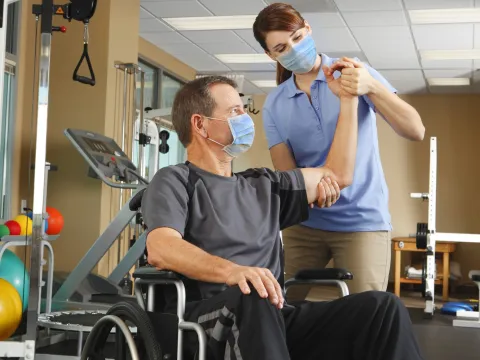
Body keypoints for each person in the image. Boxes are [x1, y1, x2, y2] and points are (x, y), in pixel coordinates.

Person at [141, 75, 424, 360]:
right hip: (208, 319)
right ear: (200, 124)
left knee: (383, 309)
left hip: (272, 315)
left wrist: (349, 99)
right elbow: (161, 248)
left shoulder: (264, 184)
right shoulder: (175, 180)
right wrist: (233, 272)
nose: (245, 119)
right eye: (234, 111)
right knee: (253, 294)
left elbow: (338, 176)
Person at [252, 3, 425, 298]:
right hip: (304, 222)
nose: (293, 49)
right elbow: (288, 174)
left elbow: (415, 130)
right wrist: (318, 190)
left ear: (308, 29)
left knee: (367, 314)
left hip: (362, 222)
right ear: (271, 55)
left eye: (297, 37)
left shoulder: (355, 73)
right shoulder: (275, 104)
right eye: (281, 48)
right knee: (277, 307)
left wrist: (371, 86)